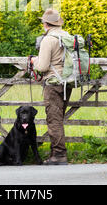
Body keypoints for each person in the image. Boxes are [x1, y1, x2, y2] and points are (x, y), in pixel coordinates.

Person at [31, 9, 72, 165]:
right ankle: (57, 152)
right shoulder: (66, 35)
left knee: (54, 119)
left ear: (46, 24)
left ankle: (59, 155)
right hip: (68, 82)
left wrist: (34, 61)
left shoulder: (48, 40)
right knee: (59, 117)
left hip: (54, 83)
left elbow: (42, 67)